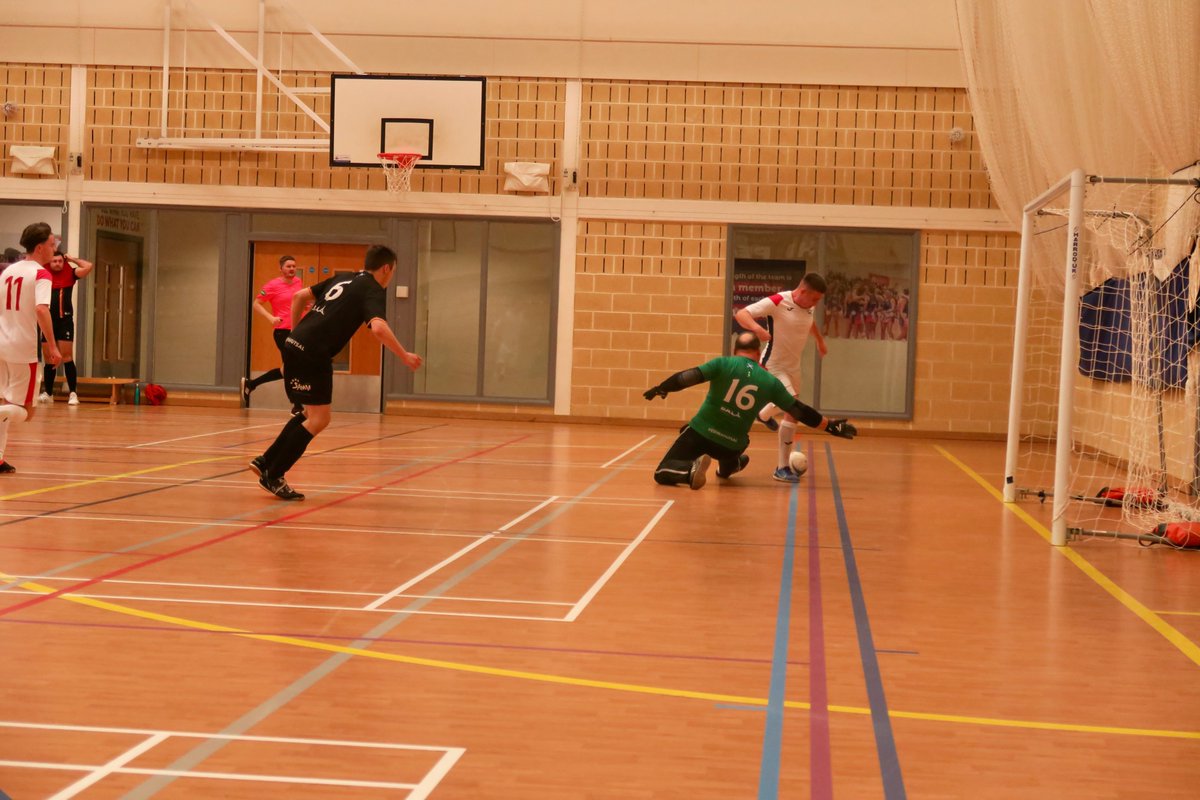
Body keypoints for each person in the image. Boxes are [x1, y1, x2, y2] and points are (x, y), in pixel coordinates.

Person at [249, 245, 422, 500]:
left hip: (294, 345)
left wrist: (296, 333)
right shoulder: (372, 289)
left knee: (308, 412)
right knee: (320, 419)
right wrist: (404, 355)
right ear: (386, 268)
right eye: (393, 271)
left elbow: (298, 298)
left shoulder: (345, 277)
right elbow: (378, 328)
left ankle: (266, 461)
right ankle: (274, 474)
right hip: (313, 353)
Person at [644, 332, 856, 489]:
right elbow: (799, 410)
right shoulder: (770, 382)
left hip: (700, 434)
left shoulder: (723, 363)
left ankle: (689, 472)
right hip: (731, 445)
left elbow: (687, 377)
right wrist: (831, 427)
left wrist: (662, 388)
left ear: (735, 350)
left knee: (662, 471)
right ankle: (731, 465)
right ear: (757, 352)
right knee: (736, 444)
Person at [732, 272, 829, 483]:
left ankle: (764, 414)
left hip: (793, 367)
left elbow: (809, 321)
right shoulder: (778, 301)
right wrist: (758, 329)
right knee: (792, 407)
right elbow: (742, 314)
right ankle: (781, 468)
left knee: (789, 408)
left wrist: (819, 341)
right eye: (814, 299)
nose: (816, 304)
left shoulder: (807, 306)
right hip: (773, 365)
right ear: (802, 291)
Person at [0, 223, 63, 473]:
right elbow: (41, 309)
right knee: (27, 411)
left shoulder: (7, 271)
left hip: (1, 344)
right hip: (22, 347)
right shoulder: (41, 274)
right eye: (51, 244)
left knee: (7, 404)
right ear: (39, 247)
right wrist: (52, 346)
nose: (54, 248)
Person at [242, 254, 304, 410]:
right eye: (288, 266)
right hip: (282, 332)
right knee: (292, 367)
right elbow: (257, 304)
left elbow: (298, 302)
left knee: (288, 368)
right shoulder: (272, 285)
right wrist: (271, 318)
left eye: (294, 266)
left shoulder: (298, 282)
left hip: (297, 330)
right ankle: (296, 406)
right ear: (281, 268)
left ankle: (251, 384)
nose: (292, 269)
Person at [38, 249, 94, 405]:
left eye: (60, 261)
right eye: (54, 261)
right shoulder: (43, 272)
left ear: (63, 261)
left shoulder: (71, 272)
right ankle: (48, 393)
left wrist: (72, 259)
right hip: (47, 320)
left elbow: (89, 266)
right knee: (49, 358)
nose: (57, 264)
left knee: (67, 356)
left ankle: (73, 393)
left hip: (65, 321)